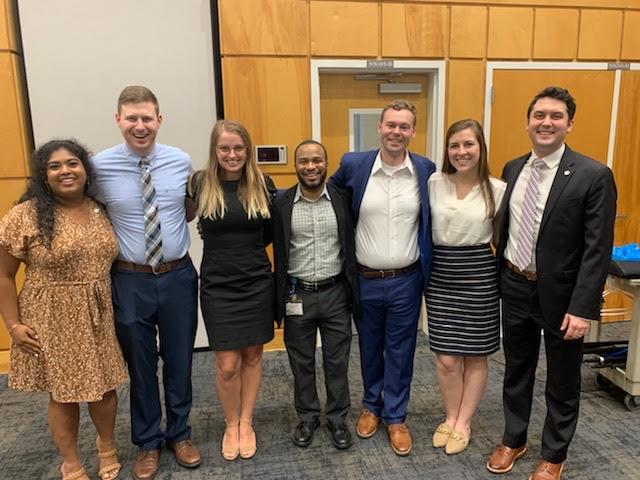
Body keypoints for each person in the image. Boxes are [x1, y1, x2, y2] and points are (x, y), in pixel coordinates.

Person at [486, 87, 616, 480]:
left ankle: (554, 454)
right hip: (515, 285)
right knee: (516, 369)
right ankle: (514, 438)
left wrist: (582, 307)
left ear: (569, 124)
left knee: (562, 378)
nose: (546, 122)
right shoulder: (512, 168)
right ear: (528, 122)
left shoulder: (593, 175)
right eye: (539, 115)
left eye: (556, 116)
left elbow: (597, 249)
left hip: (563, 298)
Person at [0, 139, 127, 480]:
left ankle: (107, 446)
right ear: (43, 175)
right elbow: (4, 274)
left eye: (72, 163)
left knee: (105, 387)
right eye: (54, 166)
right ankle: (70, 461)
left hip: (98, 311)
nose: (65, 171)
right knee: (63, 393)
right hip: (51, 315)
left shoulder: (101, 208)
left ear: (86, 170)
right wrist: (13, 324)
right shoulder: (24, 215)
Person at [92, 86, 200, 480]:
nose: (141, 126)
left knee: (180, 359)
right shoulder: (98, 167)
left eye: (147, 118)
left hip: (177, 275)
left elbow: (186, 213)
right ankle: (148, 443)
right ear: (118, 120)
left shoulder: (179, 160)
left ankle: (181, 433)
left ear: (160, 120)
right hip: (129, 279)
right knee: (139, 365)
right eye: (132, 118)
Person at [330, 99, 435, 456]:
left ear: (413, 132)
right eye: (391, 124)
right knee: (370, 346)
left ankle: (396, 416)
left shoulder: (425, 169)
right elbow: (325, 195)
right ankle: (371, 406)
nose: (396, 132)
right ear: (379, 127)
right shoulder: (354, 165)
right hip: (365, 278)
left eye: (404, 126)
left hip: (407, 279)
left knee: (402, 349)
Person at [188, 119, 275, 461]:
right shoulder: (199, 183)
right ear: (214, 151)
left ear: (247, 150)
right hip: (217, 285)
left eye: (238, 148)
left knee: (253, 355)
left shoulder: (262, 184)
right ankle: (230, 422)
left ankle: (247, 422)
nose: (232, 154)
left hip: (255, 281)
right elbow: (183, 219)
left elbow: (268, 234)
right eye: (224, 148)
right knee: (226, 363)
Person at [426, 119, 506, 455]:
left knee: (474, 355)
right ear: (447, 150)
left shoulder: (498, 188)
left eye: (468, 145)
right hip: (442, 273)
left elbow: (506, 239)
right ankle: (450, 414)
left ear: (481, 148)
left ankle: (464, 421)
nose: (461, 152)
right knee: (446, 357)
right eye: (454, 145)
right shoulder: (433, 182)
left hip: (479, 274)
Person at [273, 140, 358, 450]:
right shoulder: (281, 204)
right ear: (296, 165)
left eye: (317, 160)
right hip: (298, 294)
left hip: (336, 292)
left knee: (338, 361)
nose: (311, 166)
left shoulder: (342, 198)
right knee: (301, 361)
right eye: (304, 161)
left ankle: (337, 418)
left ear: (326, 162)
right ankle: (307, 416)